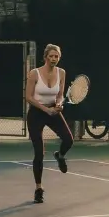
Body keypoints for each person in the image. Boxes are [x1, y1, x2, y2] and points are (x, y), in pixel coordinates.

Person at [24, 43, 74, 203]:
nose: (54, 59)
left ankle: (60, 156)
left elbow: (60, 94)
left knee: (68, 139)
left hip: (53, 110)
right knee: (39, 153)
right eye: (51, 56)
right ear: (46, 57)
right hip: (36, 113)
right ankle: (39, 188)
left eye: (57, 56)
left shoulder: (62, 73)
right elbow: (28, 97)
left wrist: (59, 104)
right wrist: (46, 110)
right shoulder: (34, 73)